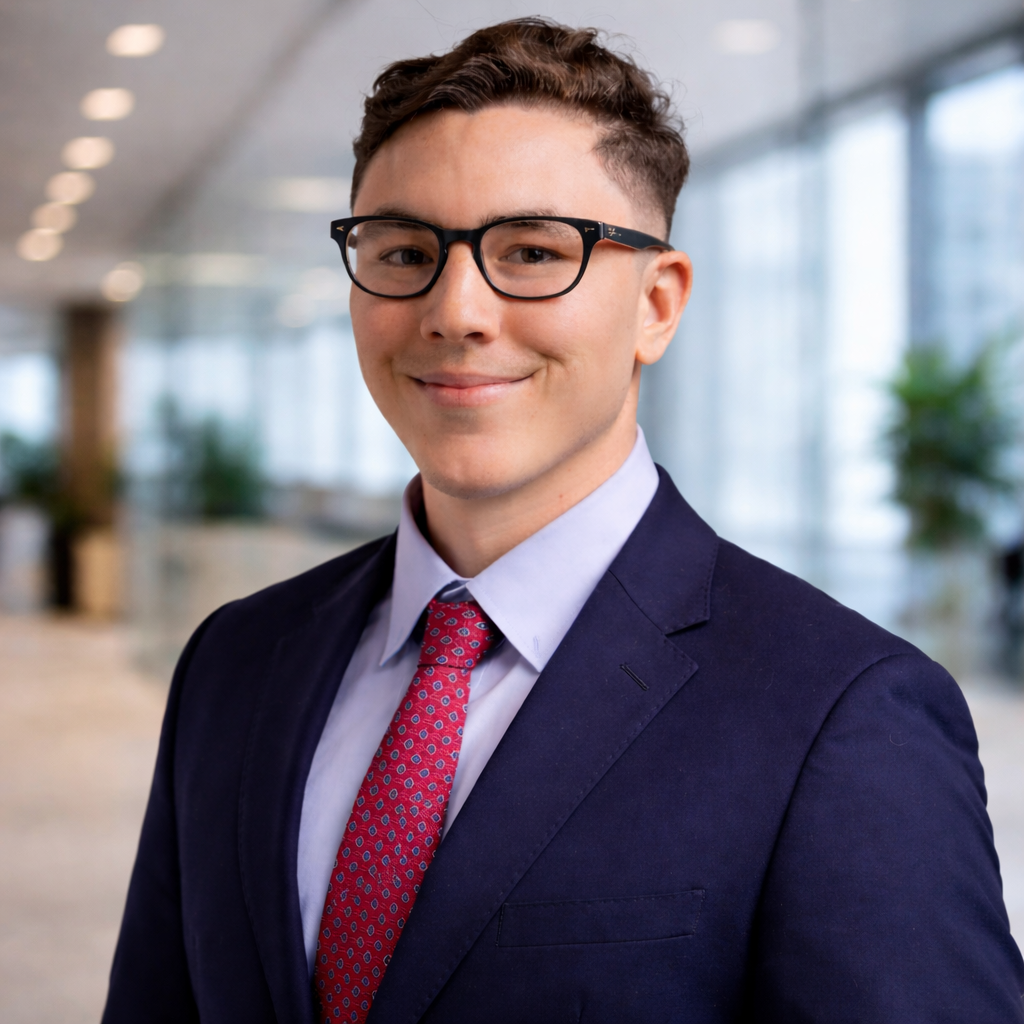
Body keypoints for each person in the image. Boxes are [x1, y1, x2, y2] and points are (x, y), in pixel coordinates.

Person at [103, 18, 1024, 1024]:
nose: (455, 310)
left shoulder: (842, 714)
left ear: (656, 304)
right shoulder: (236, 659)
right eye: (405, 249)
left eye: (534, 251)